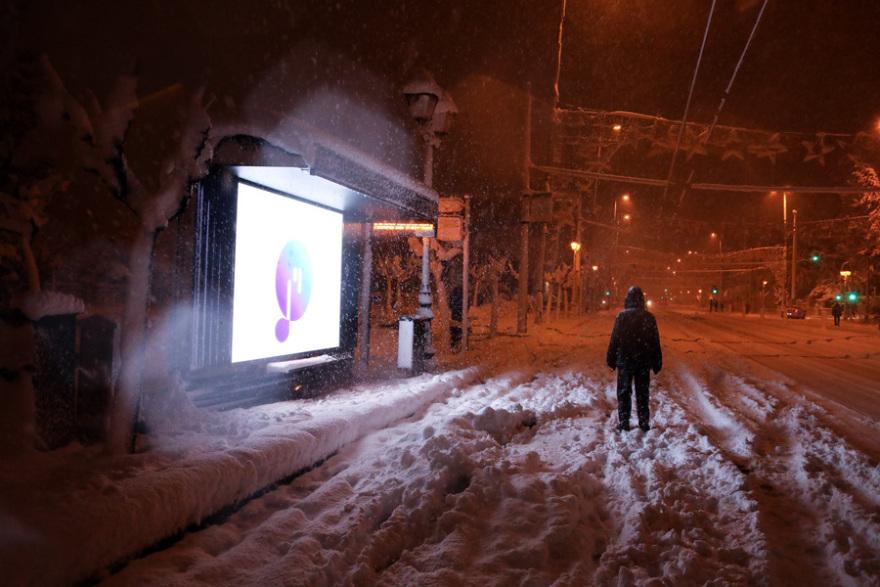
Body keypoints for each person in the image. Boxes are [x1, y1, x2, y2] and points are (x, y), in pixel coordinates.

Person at [606, 286, 662, 432]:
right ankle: (643, 423)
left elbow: (615, 339)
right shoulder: (649, 317)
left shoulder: (622, 316)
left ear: (627, 300)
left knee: (624, 393)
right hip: (643, 362)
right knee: (642, 393)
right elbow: (655, 341)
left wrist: (611, 359)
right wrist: (657, 362)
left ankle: (624, 423)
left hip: (625, 361)